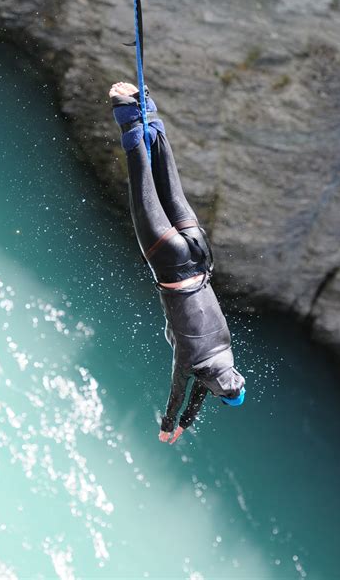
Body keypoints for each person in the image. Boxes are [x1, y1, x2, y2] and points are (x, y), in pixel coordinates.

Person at [109, 81, 246, 444]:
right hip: (169, 263)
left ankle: (146, 106)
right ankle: (125, 108)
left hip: (200, 254)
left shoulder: (224, 351)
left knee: (169, 183)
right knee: (142, 183)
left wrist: (188, 419)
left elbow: (205, 386)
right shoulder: (190, 361)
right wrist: (169, 423)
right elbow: (182, 388)